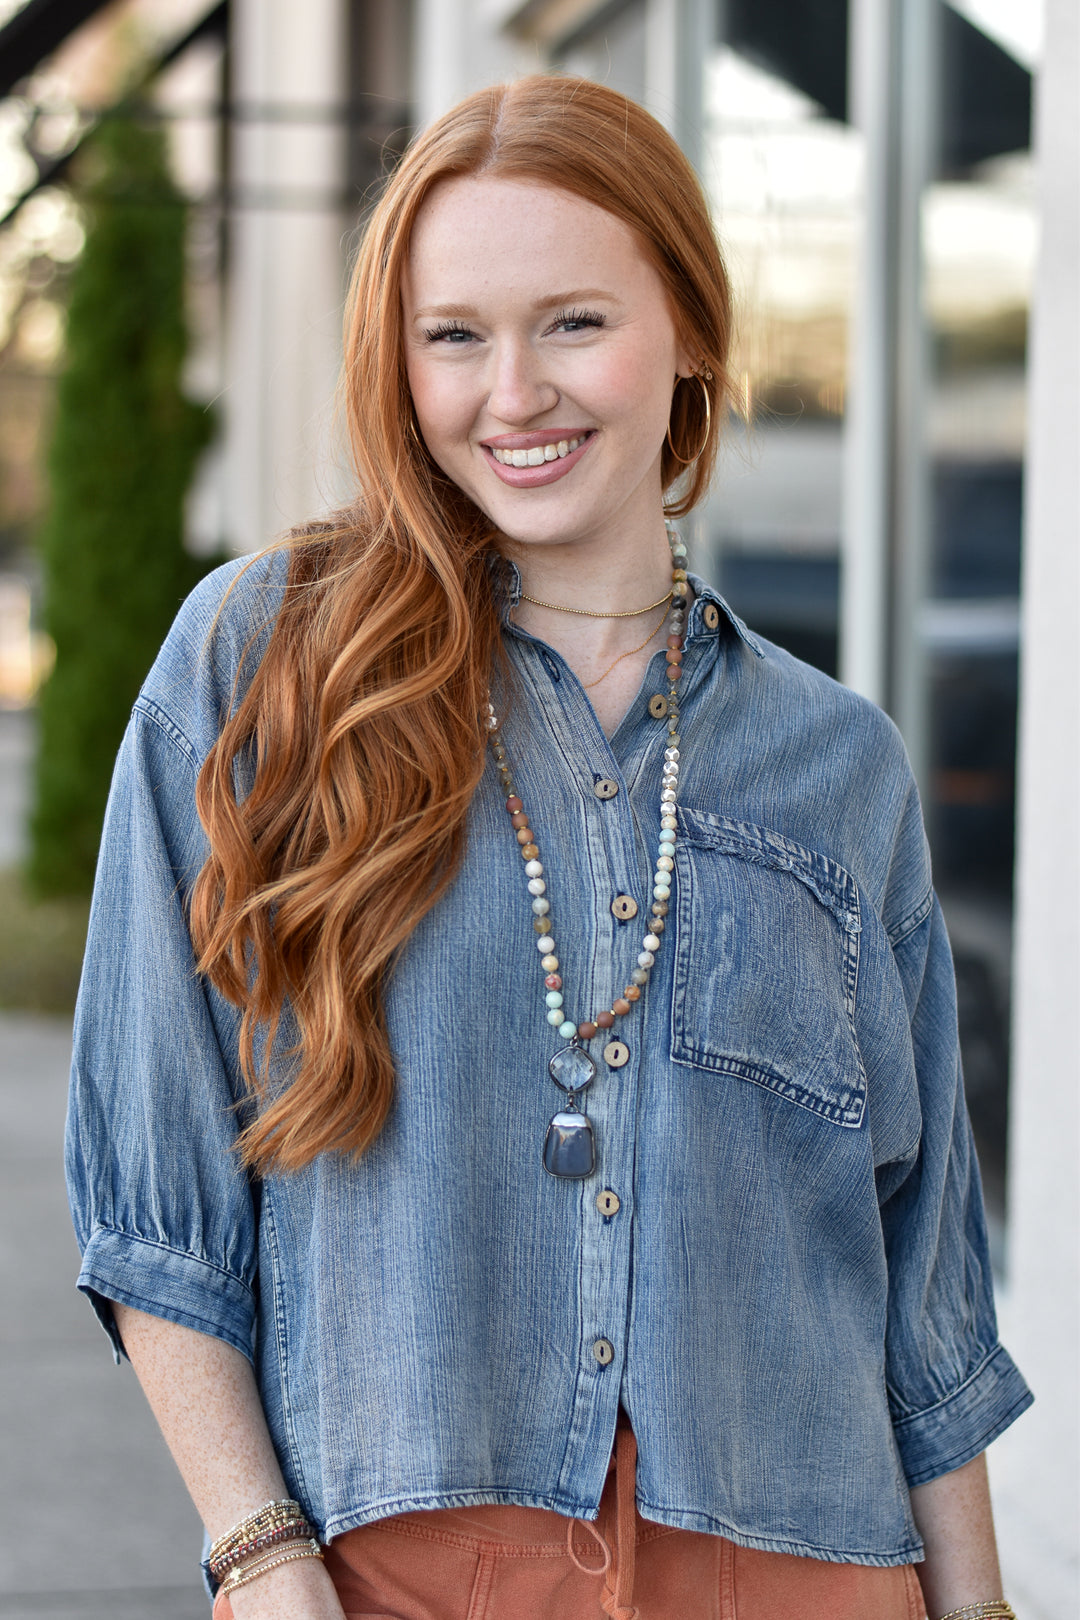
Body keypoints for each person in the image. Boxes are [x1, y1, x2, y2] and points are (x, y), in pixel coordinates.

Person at [66, 75, 1031, 1620]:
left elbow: (924, 1295)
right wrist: (258, 1550)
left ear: (690, 330)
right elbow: (153, 1184)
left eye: (574, 322)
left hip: (810, 1571)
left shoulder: (839, 765)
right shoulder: (264, 664)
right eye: (454, 336)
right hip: (400, 1575)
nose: (512, 393)